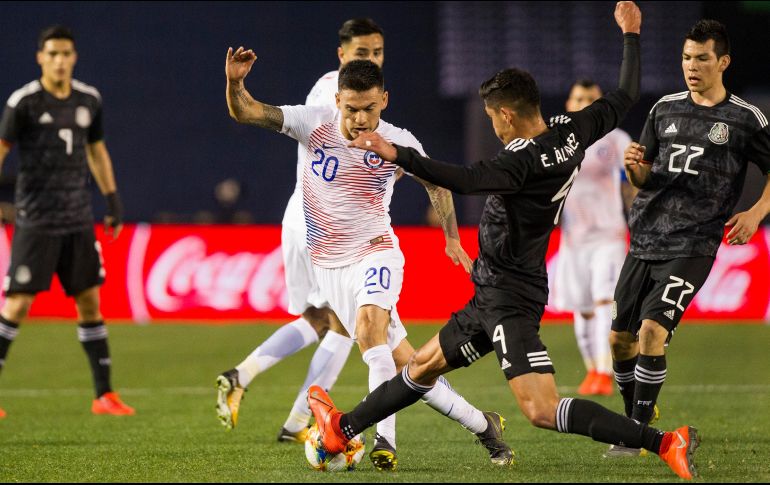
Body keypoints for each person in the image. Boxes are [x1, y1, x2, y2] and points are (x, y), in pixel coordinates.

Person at [308, 2, 702, 480]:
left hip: (510, 298)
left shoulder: (520, 163)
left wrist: (396, 153)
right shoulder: (573, 131)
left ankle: (663, 442)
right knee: (420, 368)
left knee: (541, 409)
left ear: (505, 116)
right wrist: (632, 36)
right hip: (497, 288)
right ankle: (341, 428)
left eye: (491, 118)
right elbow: (625, 93)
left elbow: (465, 178)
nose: (492, 127)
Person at [223, 50, 512, 470]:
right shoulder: (313, 123)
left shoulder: (399, 141)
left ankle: (384, 441)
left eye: (370, 108)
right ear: (338, 100)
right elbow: (247, 112)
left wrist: (451, 238)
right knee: (412, 367)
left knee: (369, 330)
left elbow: (436, 184)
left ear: (385, 100)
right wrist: (235, 83)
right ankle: (484, 425)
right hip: (328, 267)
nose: (361, 118)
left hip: (376, 250)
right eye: (353, 108)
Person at [606, 18, 770, 457]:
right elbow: (643, 176)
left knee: (652, 331)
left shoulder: (744, 118)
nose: (691, 67)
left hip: (694, 243)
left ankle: (635, 436)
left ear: (723, 62)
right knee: (619, 340)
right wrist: (634, 166)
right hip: (645, 237)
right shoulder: (665, 109)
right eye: (686, 58)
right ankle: (637, 416)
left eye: (701, 58)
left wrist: (756, 212)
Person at [0, 25, 134, 417]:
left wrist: (112, 199)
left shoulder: (89, 99)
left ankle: (104, 395)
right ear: (40, 57)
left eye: (66, 54)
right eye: (52, 54)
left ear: (74, 57)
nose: (59, 60)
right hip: (36, 219)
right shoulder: (23, 101)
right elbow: (3, 149)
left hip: (77, 218)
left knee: (90, 303)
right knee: (18, 304)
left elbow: (97, 152)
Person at [552, 80, 632, 396]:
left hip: (608, 237)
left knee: (603, 302)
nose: (584, 102)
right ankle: (592, 371)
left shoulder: (615, 139)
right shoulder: (557, 141)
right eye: (578, 97)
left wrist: (636, 219)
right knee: (582, 307)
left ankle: (603, 370)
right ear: (569, 103)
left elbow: (631, 184)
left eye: (591, 98)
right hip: (573, 240)